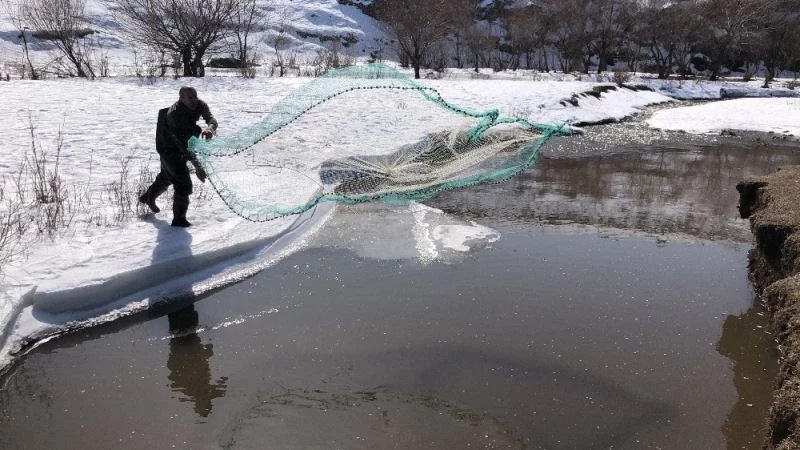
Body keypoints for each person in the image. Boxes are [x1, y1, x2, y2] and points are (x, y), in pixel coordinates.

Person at [139, 86, 218, 227]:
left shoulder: (200, 104)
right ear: (181, 98)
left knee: (168, 175)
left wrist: (210, 128)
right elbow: (185, 146)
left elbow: (211, 119)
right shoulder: (174, 114)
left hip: (183, 139)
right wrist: (198, 167)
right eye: (189, 98)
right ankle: (179, 220)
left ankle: (148, 197)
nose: (194, 100)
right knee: (182, 181)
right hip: (167, 144)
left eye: (195, 96)